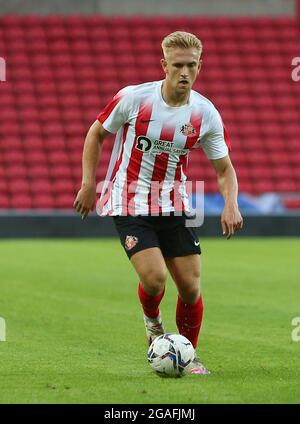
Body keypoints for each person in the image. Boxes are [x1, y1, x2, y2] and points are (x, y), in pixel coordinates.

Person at [74, 31, 243, 375]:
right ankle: (153, 325)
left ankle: (189, 354)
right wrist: (89, 183)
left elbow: (224, 169)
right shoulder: (134, 99)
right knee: (154, 279)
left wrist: (231, 203)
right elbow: (97, 134)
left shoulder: (205, 113)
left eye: (191, 66)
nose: (185, 73)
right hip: (128, 200)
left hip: (175, 204)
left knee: (191, 287)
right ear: (164, 65)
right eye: (178, 65)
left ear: (200, 66)